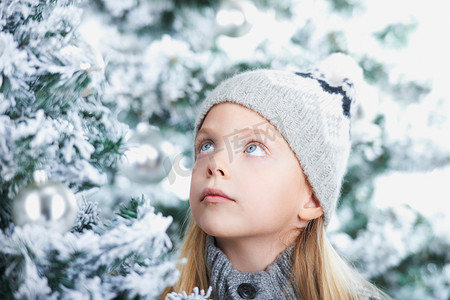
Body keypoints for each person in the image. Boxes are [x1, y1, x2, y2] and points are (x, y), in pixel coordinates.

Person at [163, 53, 390, 300]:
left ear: (312, 198)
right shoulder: (150, 289)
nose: (216, 163)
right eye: (207, 145)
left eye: (253, 148)